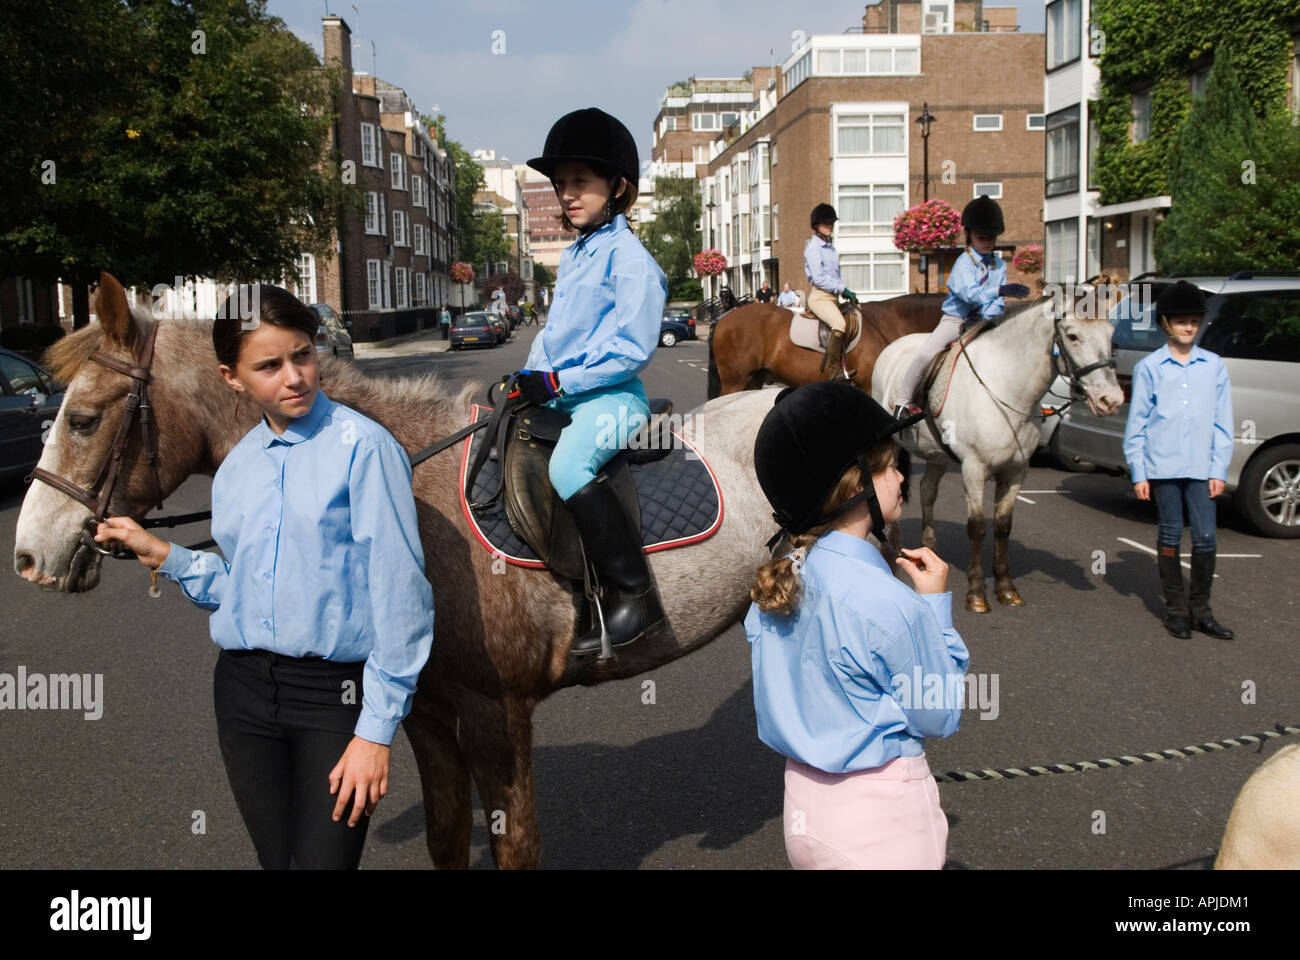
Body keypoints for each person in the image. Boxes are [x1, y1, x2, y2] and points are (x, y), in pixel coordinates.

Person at [93, 285, 435, 869]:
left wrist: (375, 733)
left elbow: (401, 598)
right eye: (269, 365)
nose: (294, 376)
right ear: (232, 378)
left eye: (302, 355)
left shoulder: (365, 450)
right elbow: (243, 588)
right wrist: (164, 555)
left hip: (334, 697)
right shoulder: (238, 468)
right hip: (244, 694)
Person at [746, 382, 967, 869]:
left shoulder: (786, 575)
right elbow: (938, 714)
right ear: (856, 484)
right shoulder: (886, 602)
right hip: (879, 825)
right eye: (889, 466)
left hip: (805, 809)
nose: (902, 477)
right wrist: (932, 608)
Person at [506, 106, 668, 658]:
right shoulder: (577, 253)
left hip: (612, 399)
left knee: (568, 465)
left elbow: (629, 349)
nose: (567, 194)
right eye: (561, 184)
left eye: (581, 182)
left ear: (617, 186)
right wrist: (526, 376)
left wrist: (554, 379)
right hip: (563, 392)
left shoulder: (630, 259)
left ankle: (636, 596)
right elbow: (554, 337)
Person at [1123, 280, 1234, 640]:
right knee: (1170, 532)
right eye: (1181, 320)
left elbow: (1223, 422)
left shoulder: (1214, 366)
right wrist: (1139, 471)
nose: (1189, 326)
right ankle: (1177, 611)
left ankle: (1202, 611)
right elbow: (1137, 423)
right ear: (1166, 324)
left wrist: (1219, 468)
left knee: (1206, 537)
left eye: (1194, 321)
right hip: (1163, 466)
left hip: (1202, 468)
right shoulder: (1150, 368)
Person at [892, 195, 1030, 419]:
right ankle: (902, 402)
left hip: (984, 323)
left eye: (991, 238)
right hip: (955, 321)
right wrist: (998, 290)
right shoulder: (963, 262)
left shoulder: (999, 265)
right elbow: (969, 295)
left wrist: (991, 320)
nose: (986, 242)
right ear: (968, 235)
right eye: (981, 237)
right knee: (925, 355)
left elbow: (996, 304)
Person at [804, 204, 857, 379]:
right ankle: (834, 371)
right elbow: (818, 278)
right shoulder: (813, 248)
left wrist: (843, 291)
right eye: (825, 223)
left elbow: (835, 276)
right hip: (820, 297)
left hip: (833, 297)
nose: (829, 226)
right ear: (816, 225)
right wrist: (843, 289)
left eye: (831, 223)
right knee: (839, 324)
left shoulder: (831, 249)